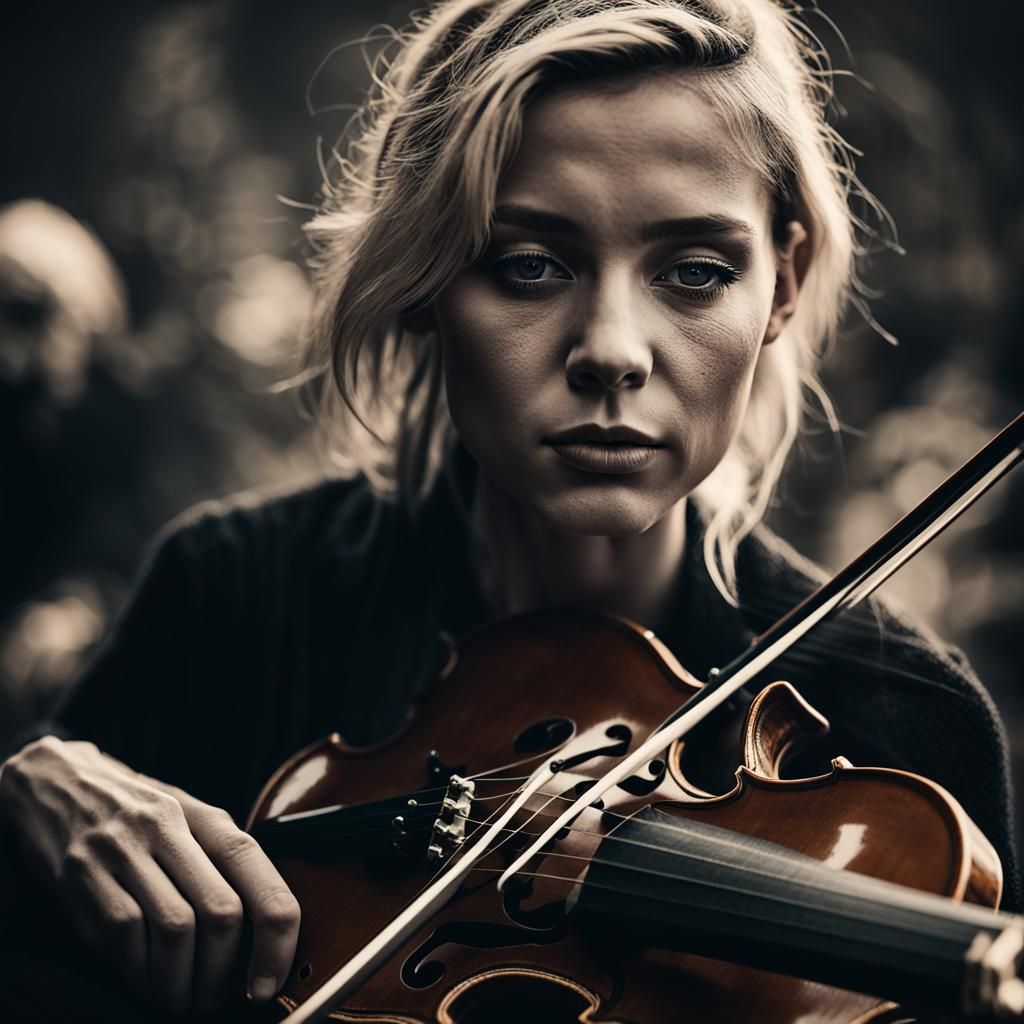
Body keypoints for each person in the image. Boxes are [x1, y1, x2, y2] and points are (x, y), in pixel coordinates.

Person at [0, 0, 1016, 1020]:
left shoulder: (901, 729)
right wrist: (26, 794)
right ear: (424, 277)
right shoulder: (235, 598)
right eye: (530, 264)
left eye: (695, 272)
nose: (612, 349)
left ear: (782, 285)